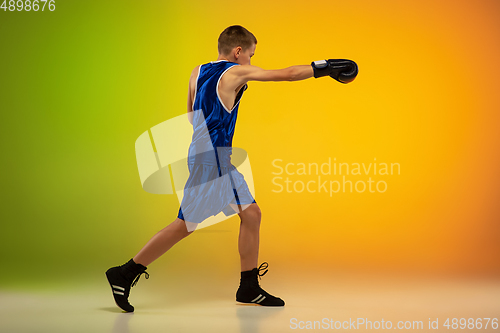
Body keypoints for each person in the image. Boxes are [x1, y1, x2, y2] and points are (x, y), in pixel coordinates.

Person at [106, 25, 358, 312]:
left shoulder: (197, 71)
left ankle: (248, 287)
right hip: (211, 161)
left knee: (251, 214)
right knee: (184, 226)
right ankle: (124, 273)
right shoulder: (235, 72)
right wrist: (323, 68)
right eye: (250, 54)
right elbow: (286, 74)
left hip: (210, 157)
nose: (251, 60)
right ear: (238, 52)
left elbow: (191, 117)